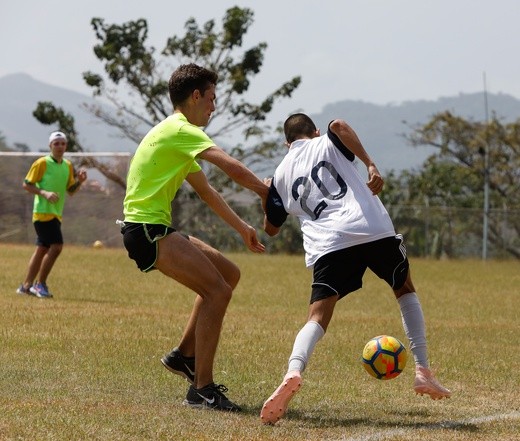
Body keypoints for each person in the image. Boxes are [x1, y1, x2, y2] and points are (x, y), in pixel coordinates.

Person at [260, 113, 451, 425]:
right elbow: (339, 125)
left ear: (286, 143)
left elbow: (271, 228)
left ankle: (293, 370)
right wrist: (371, 164)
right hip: (369, 227)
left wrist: (266, 194)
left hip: (328, 245)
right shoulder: (326, 140)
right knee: (404, 289)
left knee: (317, 317)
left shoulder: (281, 173)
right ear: (314, 131)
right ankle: (423, 370)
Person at [120, 63, 269, 412]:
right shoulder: (180, 129)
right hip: (147, 230)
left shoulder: (174, 137)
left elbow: (206, 191)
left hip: (151, 228)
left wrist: (242, 228)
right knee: (217, 291)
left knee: (229, 275)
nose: (214, 108)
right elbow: (228, 164)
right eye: (212, 99)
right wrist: (265, 191)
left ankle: (184, 356)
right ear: (196, 95)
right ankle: (201, 390)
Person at [16, 131, 87, 298]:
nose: (60, 146)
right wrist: (44, 193)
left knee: (42, 248)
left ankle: (26, 286)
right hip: (42, 213)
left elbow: (70, 191)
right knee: (57, 247)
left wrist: (80, 182)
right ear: (50, 146)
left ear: (66, 146)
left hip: (56, 214)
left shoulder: (68, 165)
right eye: (56, 143)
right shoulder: (42, 163)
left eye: (62, 143)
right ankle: (40, 285)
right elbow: (27, 185)